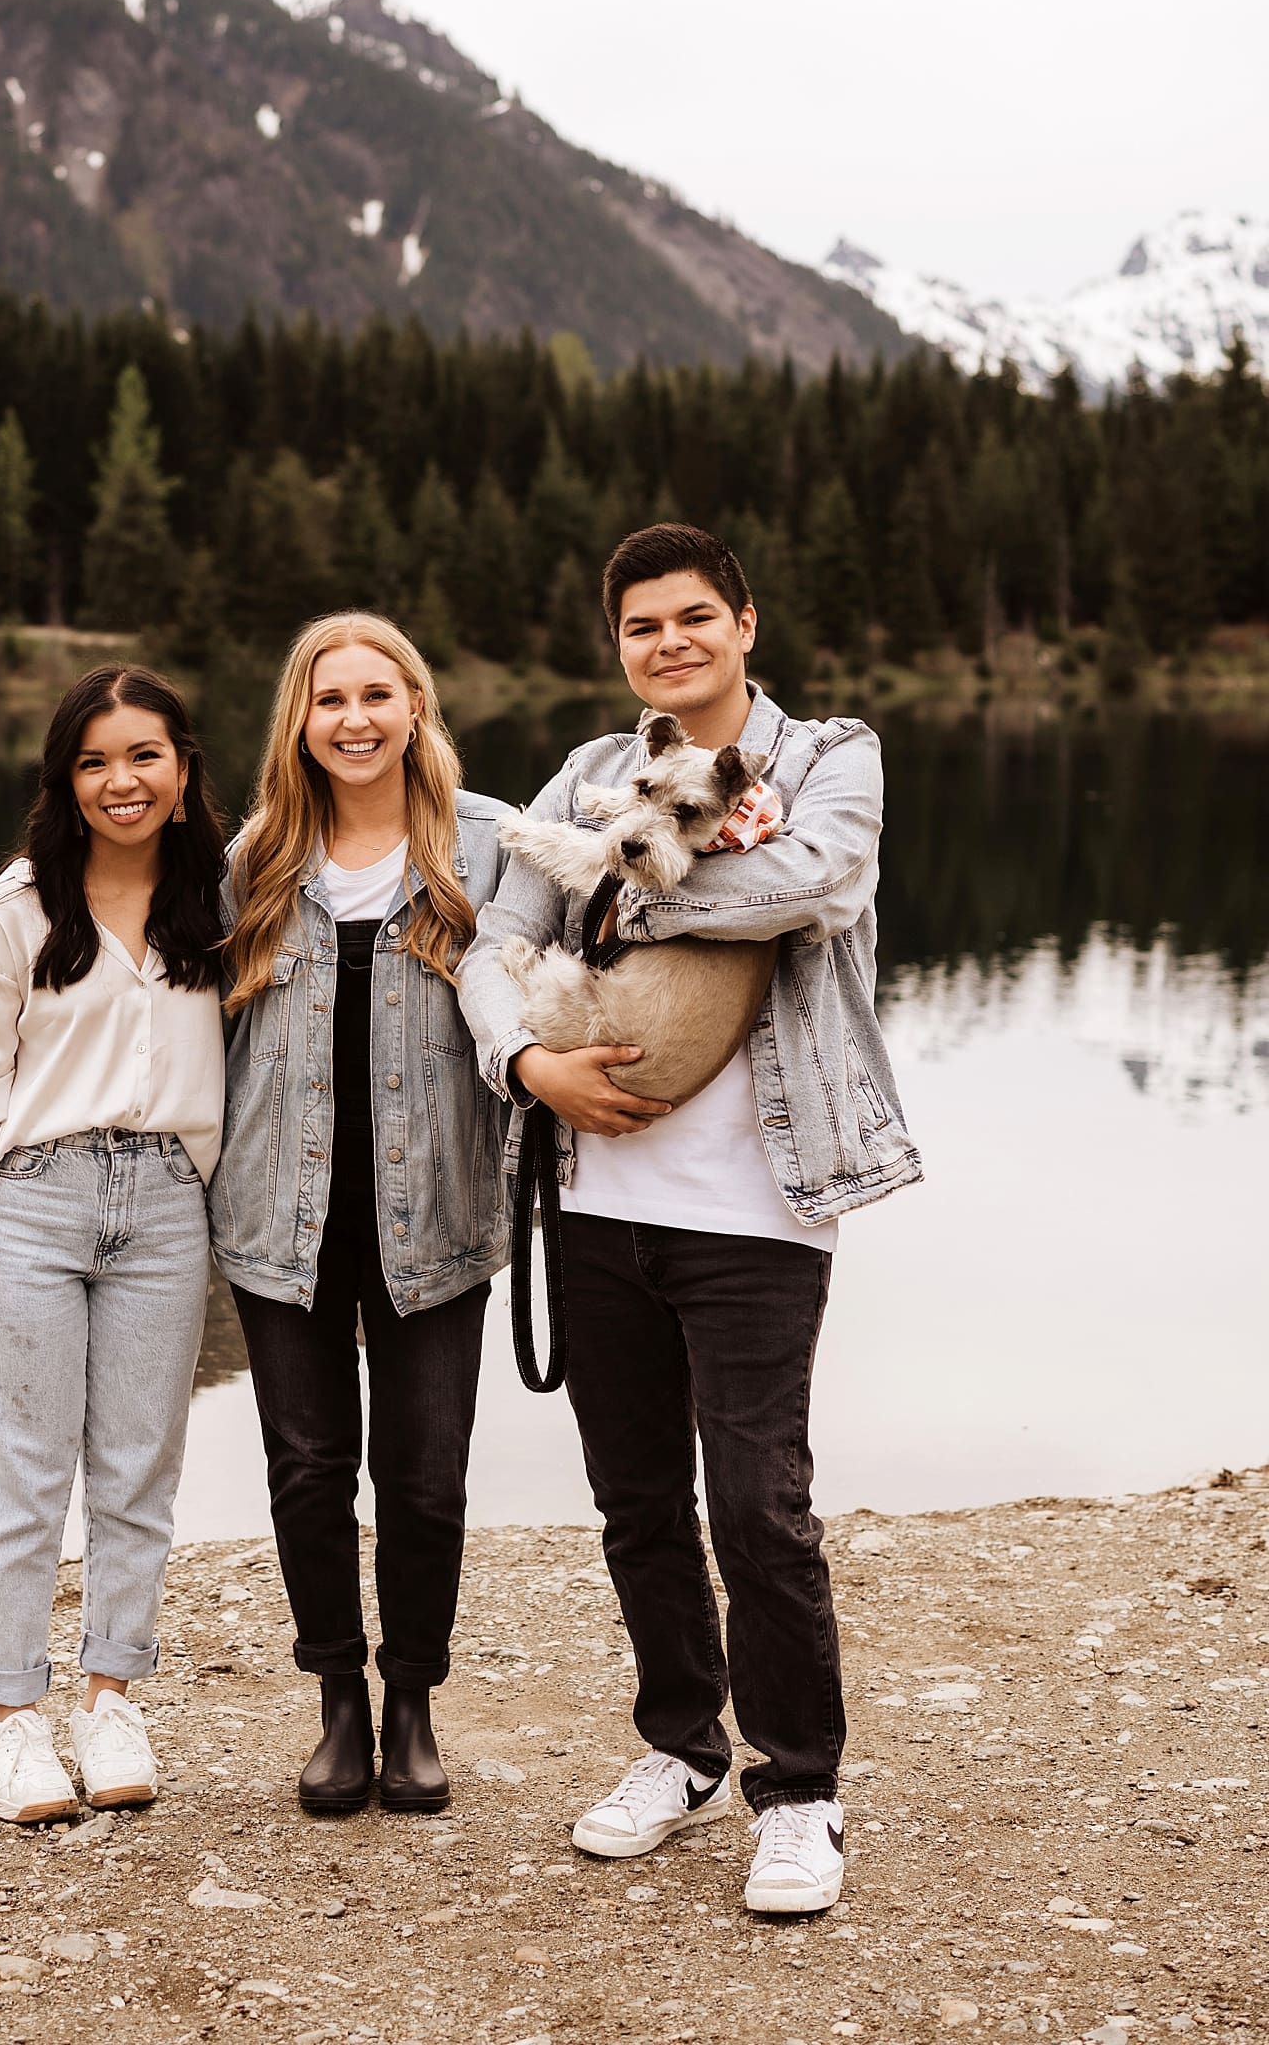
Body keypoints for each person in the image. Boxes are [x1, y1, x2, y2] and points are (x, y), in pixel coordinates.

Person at [458, 525, 922, 1915]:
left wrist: (621, 889)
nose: (670, 642)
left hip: (759, 1205)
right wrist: (523, 1061)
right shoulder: (593, 770)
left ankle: (801, 1790)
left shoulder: (826, 759)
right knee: (638, 1500)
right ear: (621, 647)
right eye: (642, 625)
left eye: (694, 616)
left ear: (745, 622)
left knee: (759, 1505)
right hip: (594, 1197)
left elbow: (816, 885)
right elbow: (491, 941)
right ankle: (681, 1750)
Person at [213, 612, 513, 1814]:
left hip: (436, 1212)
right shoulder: (254, 859)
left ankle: (414, 1704)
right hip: (279, 1220)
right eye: (329, 699)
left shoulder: (488, 848)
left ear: (415, 707)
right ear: (300, 720)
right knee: (307, 1472)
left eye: (376, 696)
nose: (354, 720)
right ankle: (338, 1701)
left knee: (426, 1478)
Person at [0, 665, 226, 1825]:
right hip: (35, 1202)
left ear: (183, 770)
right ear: (65, 781)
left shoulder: (219, 900)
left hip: (169, 1205)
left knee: (139, 1467)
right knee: (22, 1469)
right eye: (94, 762)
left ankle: (110, 1700)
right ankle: (8, 1720)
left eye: (144, 756)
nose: (122, 781)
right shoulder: (17, 913)